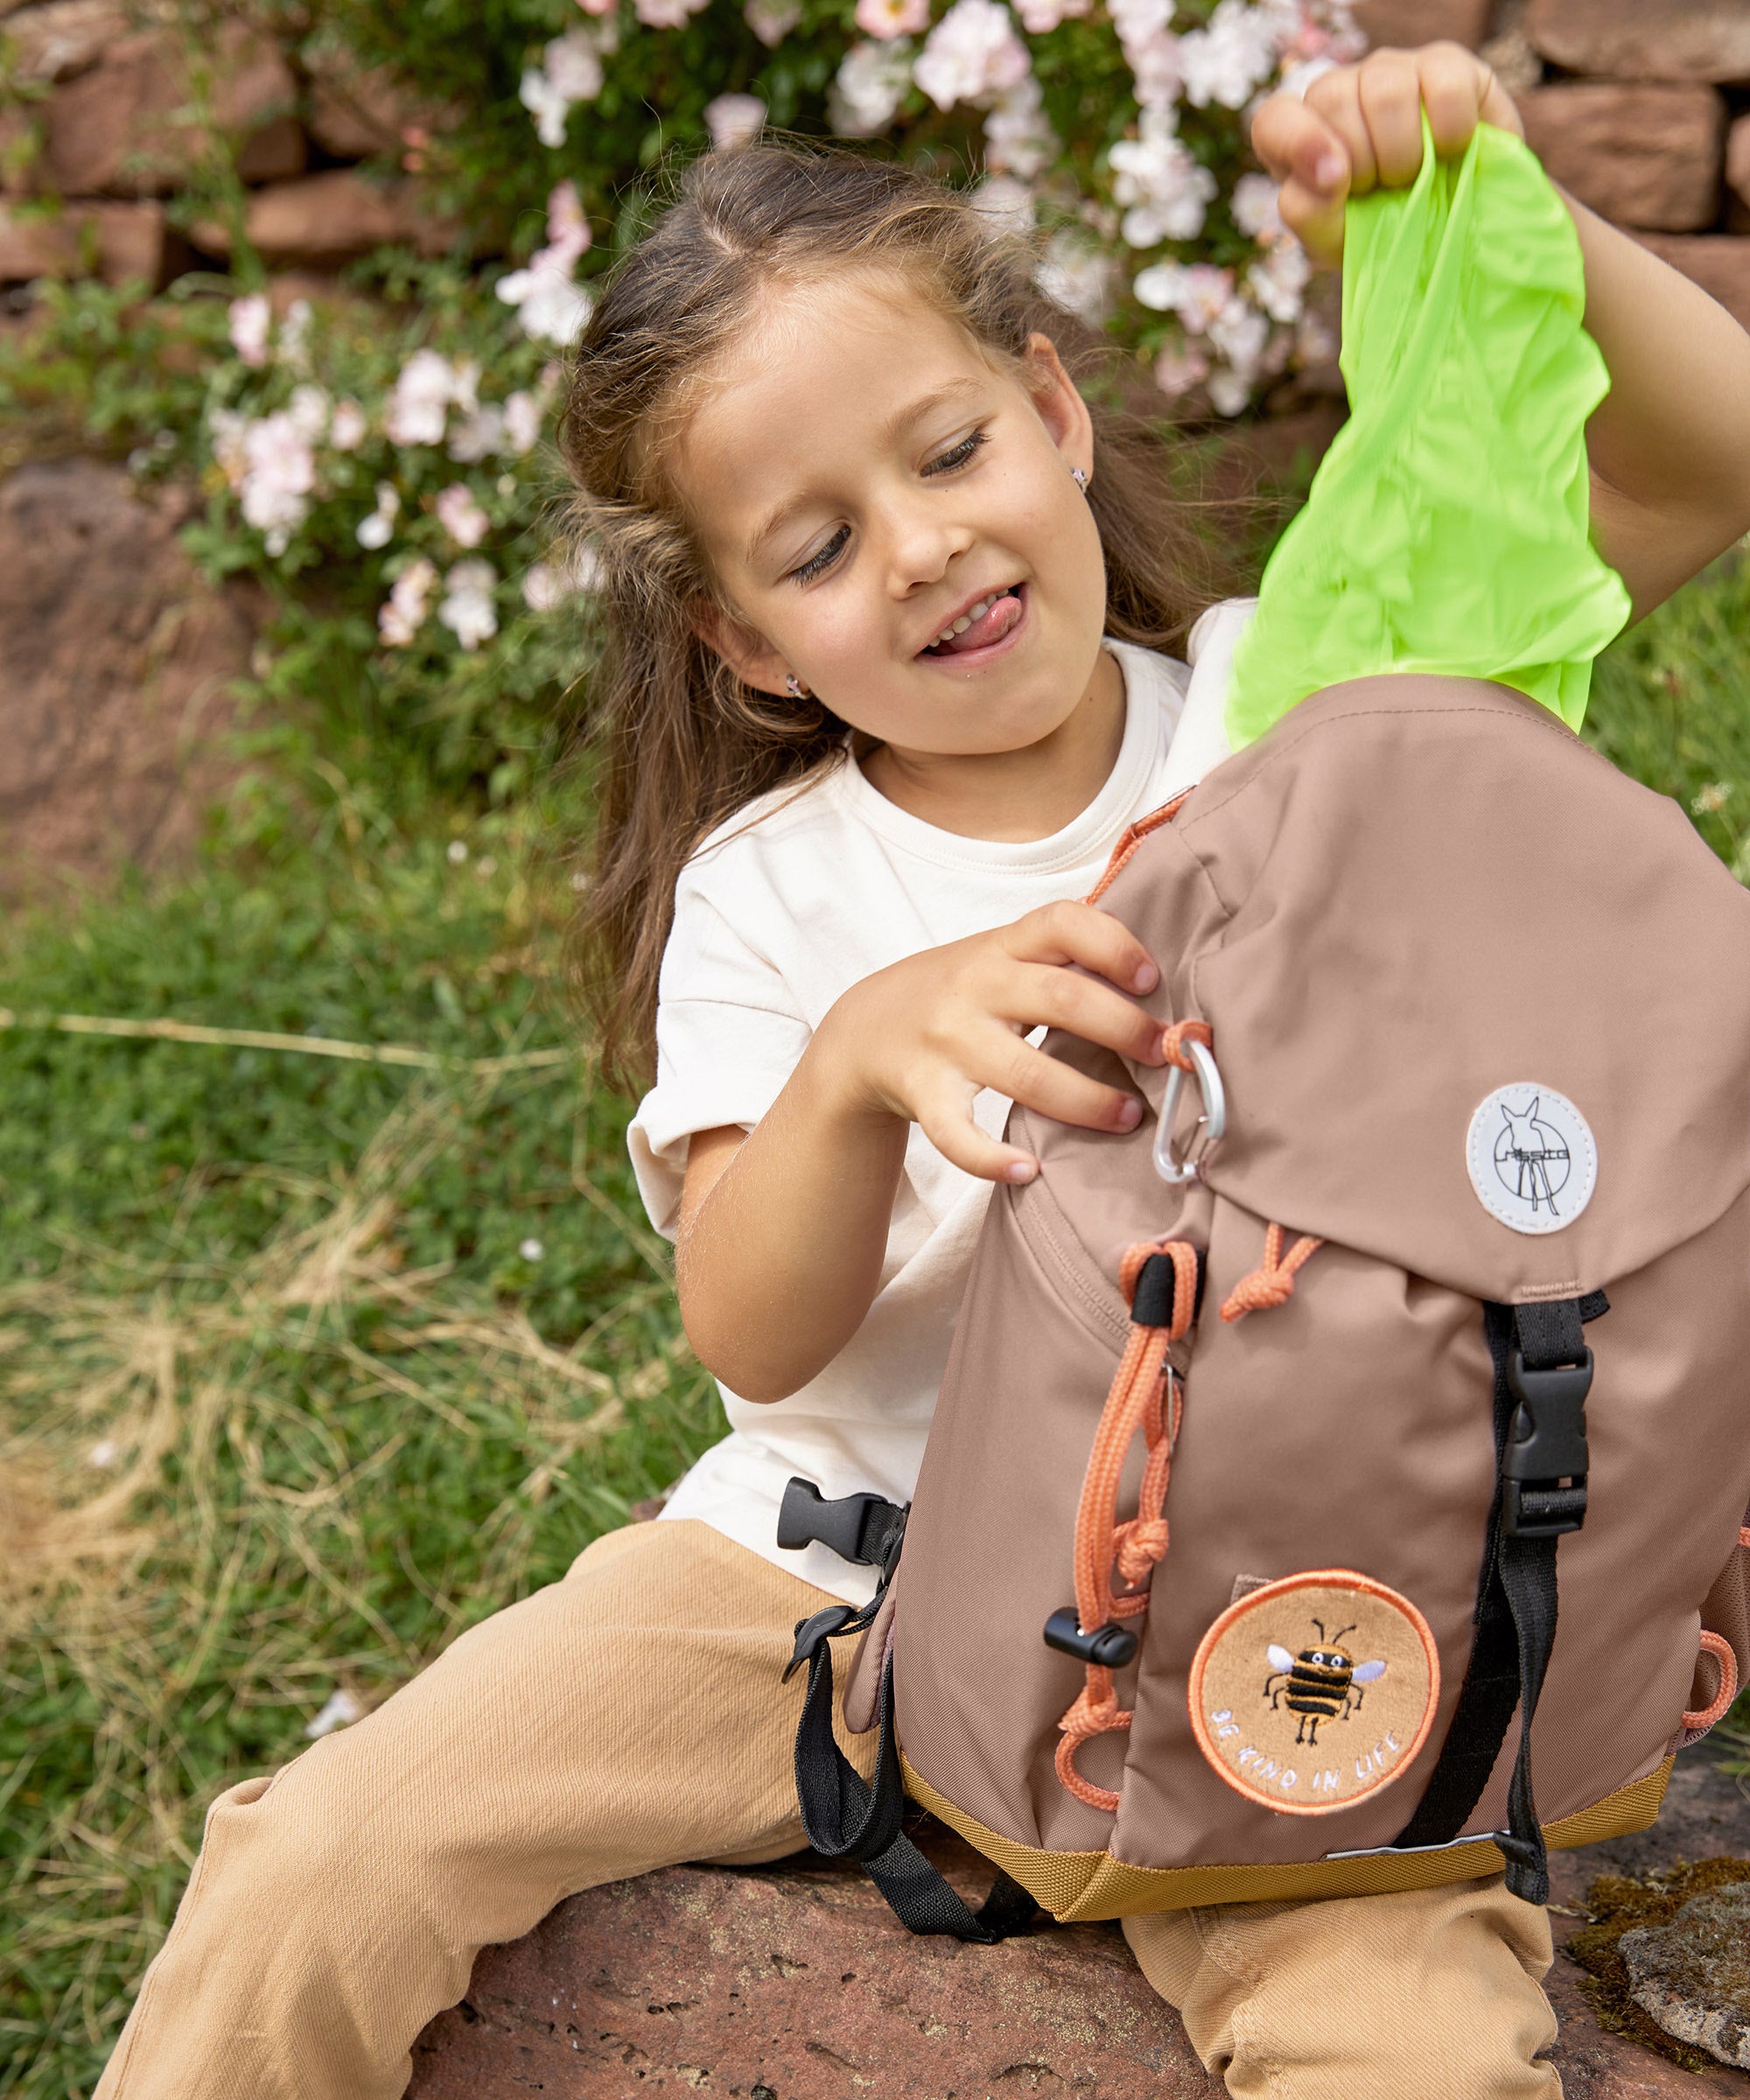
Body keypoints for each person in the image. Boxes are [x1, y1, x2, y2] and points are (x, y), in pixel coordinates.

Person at [95, 42, 1750, 2100]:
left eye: (950, 450)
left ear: (1052, 411)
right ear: (746, 644)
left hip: (1252, 1608)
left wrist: (1507, 205)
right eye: (810, 549)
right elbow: (752, 1330)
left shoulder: (1303, 713)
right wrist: (857, 1066)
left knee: (1414, 2048)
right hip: (814, 1584)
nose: (916, 548)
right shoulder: (776, 893)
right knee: (320, 1865)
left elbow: (1698, 467)